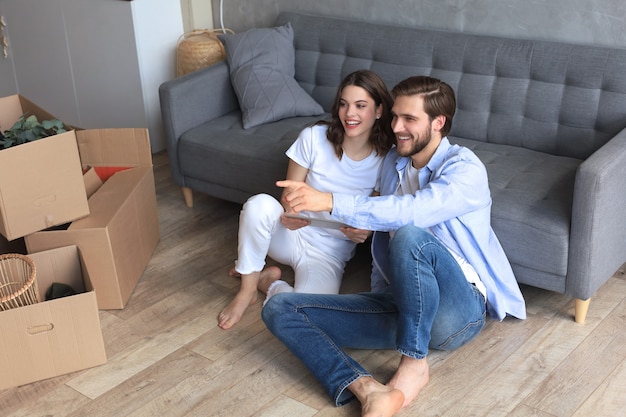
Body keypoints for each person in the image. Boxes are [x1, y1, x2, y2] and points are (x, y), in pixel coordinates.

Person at [263, 75, 527, 416]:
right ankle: (367, 388)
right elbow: (382, 231)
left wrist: (329, 200)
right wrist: (368, 247)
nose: (397, 127)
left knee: (409, 233)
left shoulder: (465, 169)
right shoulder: (392, 163)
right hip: (401, 304)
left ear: (439, 123)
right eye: (395, 117)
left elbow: (410, 212)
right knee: (280, 309)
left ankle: (414, 363)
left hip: (457, 311)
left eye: (410, 119)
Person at [218, 70, 395, 330]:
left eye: (361, 106)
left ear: (379, 110)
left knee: (311, 316)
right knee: (259, 205)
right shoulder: (314, 137)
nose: (350, 114)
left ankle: (268, 283)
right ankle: (246, 292)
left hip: (329, 254)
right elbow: (289, 195)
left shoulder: (385, 159)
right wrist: (290, 212)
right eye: (344, 104)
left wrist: (364, 232)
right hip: (289, 236)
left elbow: (372, 214)